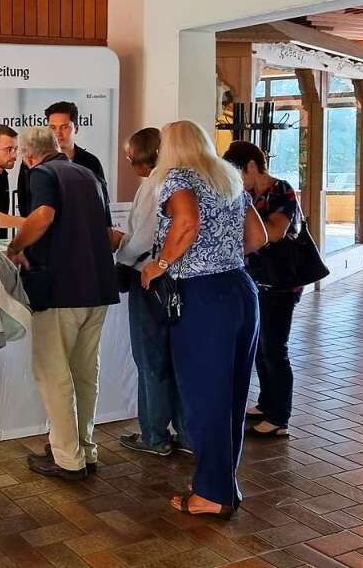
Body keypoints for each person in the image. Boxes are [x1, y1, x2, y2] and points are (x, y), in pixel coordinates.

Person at [141, 120, 267, 518]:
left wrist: (159, 264)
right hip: (241, 290)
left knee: (203, 398)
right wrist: (222, 252)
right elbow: (258, 238)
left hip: (202, 297)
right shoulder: (228, 178)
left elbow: (187, 221)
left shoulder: (177, 177)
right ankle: (221, 481)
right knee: (230, 394)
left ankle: (213, 494)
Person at [5, 127, 118, 480]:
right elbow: (107, 232)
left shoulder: (43, 173)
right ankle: (85, 448)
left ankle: (67, 457)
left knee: (53, 374)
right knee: (85, 373)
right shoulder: (88, 173)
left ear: (28, 156)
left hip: (61, 290)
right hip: (97, 288)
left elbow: (42, 216)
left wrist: (15, 247)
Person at [112, 128, 190, 456]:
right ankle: (187, 434)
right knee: (179, 358)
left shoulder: (154, 186)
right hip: (182, 278)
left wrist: (119, 247)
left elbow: (143, 240)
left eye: (131, 159)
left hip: (150, 278)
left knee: (150, 358)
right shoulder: (188, 182)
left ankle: (154, 435)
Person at [223, 140, 301, 439]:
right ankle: (266, 403)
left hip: (281, 282)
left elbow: (277, 232)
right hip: (257, 279)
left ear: (252, 167)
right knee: (260, 347)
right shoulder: (248, 195)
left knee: (274, 349)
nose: (237, 181)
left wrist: (248, 233)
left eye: (239, 173)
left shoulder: (281, 190)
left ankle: (280, 416)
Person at [16, 101, 110, 220]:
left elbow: (103, 203)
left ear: (76, 128)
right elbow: (25, 204)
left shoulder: (91, 162)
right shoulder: (31, 161)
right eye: (52, 127)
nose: (57, 133)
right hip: (44, 232)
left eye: (64, 127)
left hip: (82, 231)